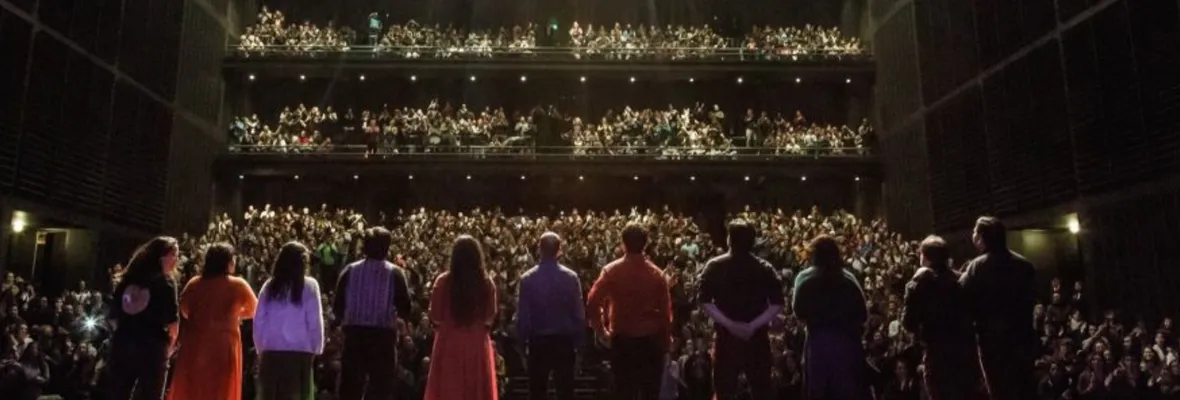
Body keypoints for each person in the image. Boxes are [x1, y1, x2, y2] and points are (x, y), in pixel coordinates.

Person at [697, 219, 785, 400]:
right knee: (762, 391)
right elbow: (777, 304)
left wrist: (731, 325)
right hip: (757, 338)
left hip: (726, 338)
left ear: (729, 239)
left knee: (724, 391)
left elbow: (704, 301)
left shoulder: (715, 266)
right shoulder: (764, 268)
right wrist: (752, 326)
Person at [586, 223, 673, 400]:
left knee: (624, 392)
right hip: (651, 343)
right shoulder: (657, 274)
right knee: (650, 393)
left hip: (623, 341)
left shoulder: (611, 271)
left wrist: (602, 332)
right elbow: (666, 314)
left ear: (622, 243)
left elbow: (592, 303)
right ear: (646, 244)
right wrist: (665, 343)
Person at [959, 216, 1037, 400]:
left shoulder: (977, 267)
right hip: (1023, 337)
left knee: (999, 390)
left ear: (981, 237)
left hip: (992, 342)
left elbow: (962, 297)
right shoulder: (1024, 264)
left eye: (975, 231)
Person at [168, 243, 258, 400]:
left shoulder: (194, 283)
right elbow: (254, 310)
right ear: (227, 262)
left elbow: (184, 310)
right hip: (224, 345)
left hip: (196, 343)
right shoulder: (238, 285)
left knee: (193, 387)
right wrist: (235, 315)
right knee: (221, 388)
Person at [901, 235, 986, 400]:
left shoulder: (920, 285)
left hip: (937, 356)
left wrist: (913, 283)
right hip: (965, 354)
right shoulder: (961, 279)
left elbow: (909, 323)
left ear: (925, 258)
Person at [334, 227, 414, 400]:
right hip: (382, 337)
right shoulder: (395, 273)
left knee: (350, 387)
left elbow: (337, 306)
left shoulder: (349, 270)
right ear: (387, 248)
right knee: (380, 388)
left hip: (354, 335)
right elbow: (406, 307)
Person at [792, 235, 869, 400]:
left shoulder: (804, 279)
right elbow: (863, 314)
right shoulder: (849, 279)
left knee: (818, 391)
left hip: (817, 343)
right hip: (847, 343)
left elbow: (798, 312)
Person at [105, 236, 181, 400]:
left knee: (118, 393)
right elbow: (172, 323)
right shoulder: (166, 283)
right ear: (162, 257)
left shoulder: (126, 279)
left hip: (122, 344)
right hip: (152, 348)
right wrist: (170, 346)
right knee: (150, 395)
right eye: (174, 255)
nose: (177, 260)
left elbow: (112, 318)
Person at [425, 235, 499, 400]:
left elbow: (435, 316)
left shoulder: (443, 281)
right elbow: (489, 316)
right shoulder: (487, 284)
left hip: (448, 343)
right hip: (477, 344)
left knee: (448, 389)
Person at [515, 232, 585, 400]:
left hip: (538, 343)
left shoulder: (527, 279)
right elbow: (578, 315)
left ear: (539, 249)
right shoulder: (571, 278)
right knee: (566, 393)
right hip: (564, 343)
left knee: (537, 393)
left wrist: (522, 348)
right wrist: (580, 347)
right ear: (559, 250)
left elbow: (523, 317)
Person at [254, 241, 325, 400]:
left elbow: (259, 321)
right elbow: (315, 322)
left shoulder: (269, 286)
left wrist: (260, 348)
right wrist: (316, 348)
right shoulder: (310, 286)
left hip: (271, 353)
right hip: (300, 354)